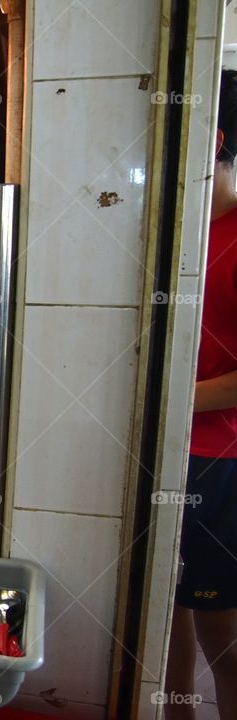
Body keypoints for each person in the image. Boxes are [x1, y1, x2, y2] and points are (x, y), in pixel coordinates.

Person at [165, 69, 237, 720]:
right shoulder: (184, 233)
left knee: (221, 629)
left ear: (210, 138)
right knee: (168, 610)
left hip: (223, 461)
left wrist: (167, 399)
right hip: (176, 452)